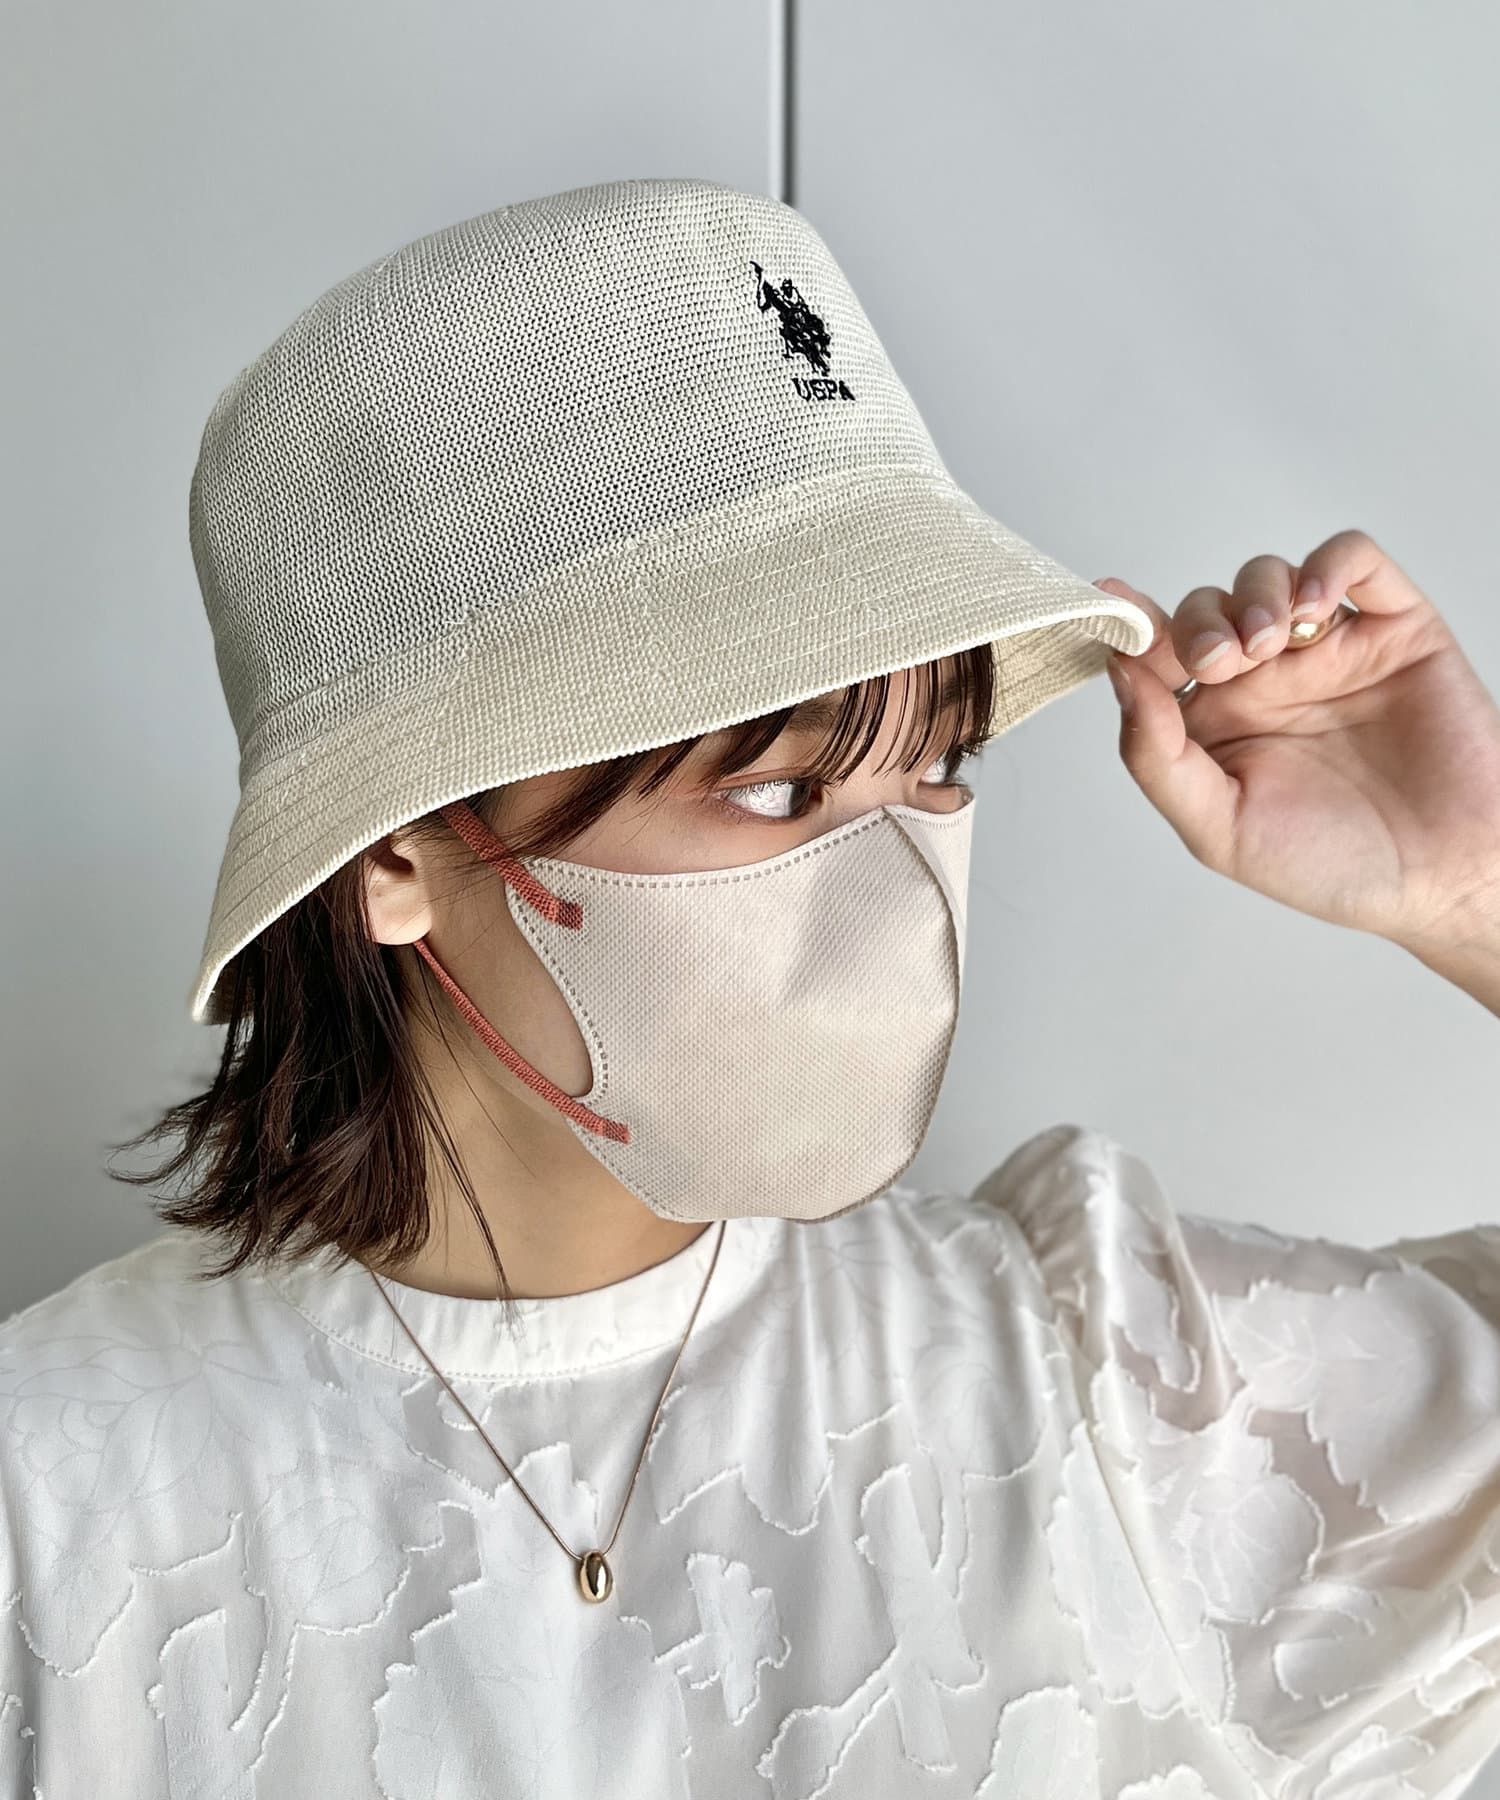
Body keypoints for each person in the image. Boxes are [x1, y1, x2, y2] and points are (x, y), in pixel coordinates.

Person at [2, 177, 1499, 1800]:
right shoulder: (54, 1513)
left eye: (937, 769)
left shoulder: (1112, 1386)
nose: (893, 885)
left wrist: (1471, 889)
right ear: (397, 852)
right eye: (780, 789)